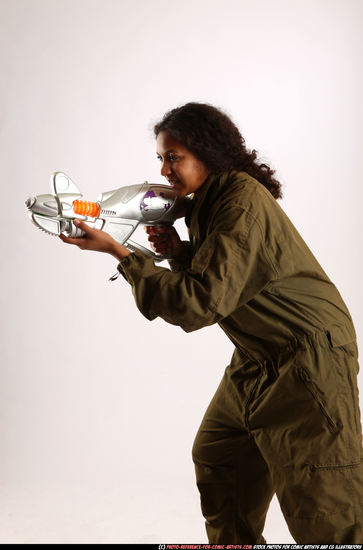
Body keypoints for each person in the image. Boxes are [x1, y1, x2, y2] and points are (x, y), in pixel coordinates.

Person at [59, 102, 363, 543]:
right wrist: (180, 252)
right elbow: (225, 277)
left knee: (323, 498)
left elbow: (201, 303)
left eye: (173, 157)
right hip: (259, 357)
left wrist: (122, 255)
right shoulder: (208, 201)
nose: (164, 169)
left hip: (308, 358)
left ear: (207, 152)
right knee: (221, 456)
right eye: (160, 158)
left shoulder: (241, 200)